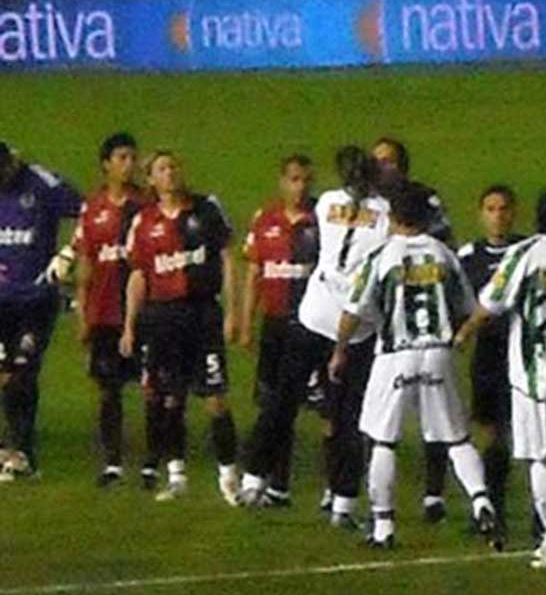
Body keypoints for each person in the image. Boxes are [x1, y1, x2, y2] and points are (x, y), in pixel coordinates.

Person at [332, 182, 497, 549]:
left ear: (392, 216)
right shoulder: (444, 255)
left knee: (382, 441)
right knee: (456, 437)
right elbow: (469, 308)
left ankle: (384, 528)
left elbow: (352, 311)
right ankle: (481, 499)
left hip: (395, 355)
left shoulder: (382, 256)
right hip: (438, 352)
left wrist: (340, 350)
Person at [241, 145, 389, 528]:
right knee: (347, 416)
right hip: (356, 326)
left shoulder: (325, 205)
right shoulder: (385, 214)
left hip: (313, 314)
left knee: (282, 400)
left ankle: (253, 478)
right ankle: (342, 502)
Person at [456, 187, 546, 567]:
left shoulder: (525, 254)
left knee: (540, 458)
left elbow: (491, 303)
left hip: (534, 372)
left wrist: (466, 330)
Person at [120, 150, 238, 502]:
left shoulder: (206, 210)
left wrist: (233, 311)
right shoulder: (144, 222)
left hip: (203, 314)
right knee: (171, 398)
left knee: (215, 396)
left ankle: (229, 475)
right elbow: (139, 274)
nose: (170, 173)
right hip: (163, 318)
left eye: (174, 166)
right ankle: (177, 475)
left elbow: (228, 259)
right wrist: (129, 325)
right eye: (162, 169)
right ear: (152, 180)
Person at [371, 136, 457, 515]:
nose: (381, 168)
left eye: (388, 161)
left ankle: (433, 493)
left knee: (432, 414)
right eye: (377, 161)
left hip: (420, 318)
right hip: (384, 320)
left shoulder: (425, 198)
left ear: (402, 165)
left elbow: (445, 243)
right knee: (379, 416)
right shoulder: (366, 202)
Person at [235, 155, 319, 507]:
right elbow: (255, 272)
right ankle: (278, 485)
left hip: (312, 327)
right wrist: (244, 322)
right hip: (275, 324)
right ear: (282, 182)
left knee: (323, 409)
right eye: (294, 179)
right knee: (273, 405)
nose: (300, 187)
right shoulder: (265, 219)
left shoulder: (321, 222)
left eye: (305, 180)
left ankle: (336, 491)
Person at [0, 141, 81, 479]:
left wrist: (67, 254)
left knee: (23, 371)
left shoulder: (42, 183)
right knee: (5, 373)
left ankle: (23, 453)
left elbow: (90, 213)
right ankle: (11, 449)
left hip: (36, 299)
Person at [72, 133, 146, 486]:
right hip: (104, 311)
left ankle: (154, 460)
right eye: (122, 157)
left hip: (143, 312)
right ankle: (113, 461)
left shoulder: (145, 205)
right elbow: (86, 261)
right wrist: (83, 313)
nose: (129, 163)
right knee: (108, 388)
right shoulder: (93, 207)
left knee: (153, 386)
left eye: (132, 157)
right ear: (106, 164)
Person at [455, 184, 523, 532]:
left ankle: (538, 513)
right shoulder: (469, 257)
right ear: (481, 214)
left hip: (522, 352)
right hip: (488, 353)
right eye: (491, 209)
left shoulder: (527, 251)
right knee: (489, 431)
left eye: (503, 209)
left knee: (522, 433)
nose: (498, 216)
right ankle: (490, 506)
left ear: (513, 213)